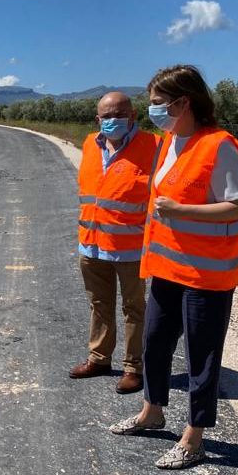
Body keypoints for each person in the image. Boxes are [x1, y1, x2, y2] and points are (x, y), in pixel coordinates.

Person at [108, 65, 238, 470]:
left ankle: (194, 436)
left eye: (157, 104)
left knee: (201, 355)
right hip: (167, 269)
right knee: (154, 342)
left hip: (207, 275)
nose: (152, 110)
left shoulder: (218, 146)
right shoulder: (168, 142)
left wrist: (180, 210)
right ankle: (152, 413)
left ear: (183, 102)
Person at [70, 92, 159, 394]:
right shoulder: (89, 144)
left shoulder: (153, 146)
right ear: (98, 119)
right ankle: (99, 358)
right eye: (106, 116)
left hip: (131, 248)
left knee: (134, 307)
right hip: (91, 244)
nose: (112, 121)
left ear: (133, 116)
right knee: (99, 304)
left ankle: (134, 367)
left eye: (118, 114)